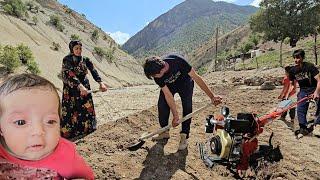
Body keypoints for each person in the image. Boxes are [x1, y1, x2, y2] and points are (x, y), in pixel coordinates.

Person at [0, 73, 94, 179]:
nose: (38, 131)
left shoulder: (65, 156)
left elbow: (86, 177)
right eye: (21, 122)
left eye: (50, 121)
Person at [143, 54, 222, 150]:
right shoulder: (157, 75)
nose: (154, 77)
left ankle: (184, 136)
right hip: (170, 86)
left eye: (155, 75)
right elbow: (168, 95)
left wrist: (212, 96)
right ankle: (164, 132)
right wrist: (175, 115)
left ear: (162, 69)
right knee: (162, 105)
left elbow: (196, 78)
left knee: (187, 106)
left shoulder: (177, 61)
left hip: (185, 84)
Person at [61, 40, 107, 141]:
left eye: (80, 48)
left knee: (86, 107)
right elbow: (69, 74)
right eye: (76, 48)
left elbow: (93, 71)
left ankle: (86, 129)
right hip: (72, 88)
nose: (79, 50)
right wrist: (80, 86)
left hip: (85, 87)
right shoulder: (67, 59)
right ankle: (70, 134)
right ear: (71, 49)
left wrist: (101, 83)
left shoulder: (86, 59)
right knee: (71, 110)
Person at [288, 49, 320, 137]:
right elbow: (292, 85)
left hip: (314, 88)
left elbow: (319, 80)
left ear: (303, 57)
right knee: (300, 108)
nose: (296, 60)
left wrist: (316, 92)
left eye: (298, 57)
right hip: (303, 90)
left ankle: (318, 124)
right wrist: (287, 95)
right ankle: (303, 127)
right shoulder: (293, 71)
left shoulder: (310, 66)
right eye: (294, 58)